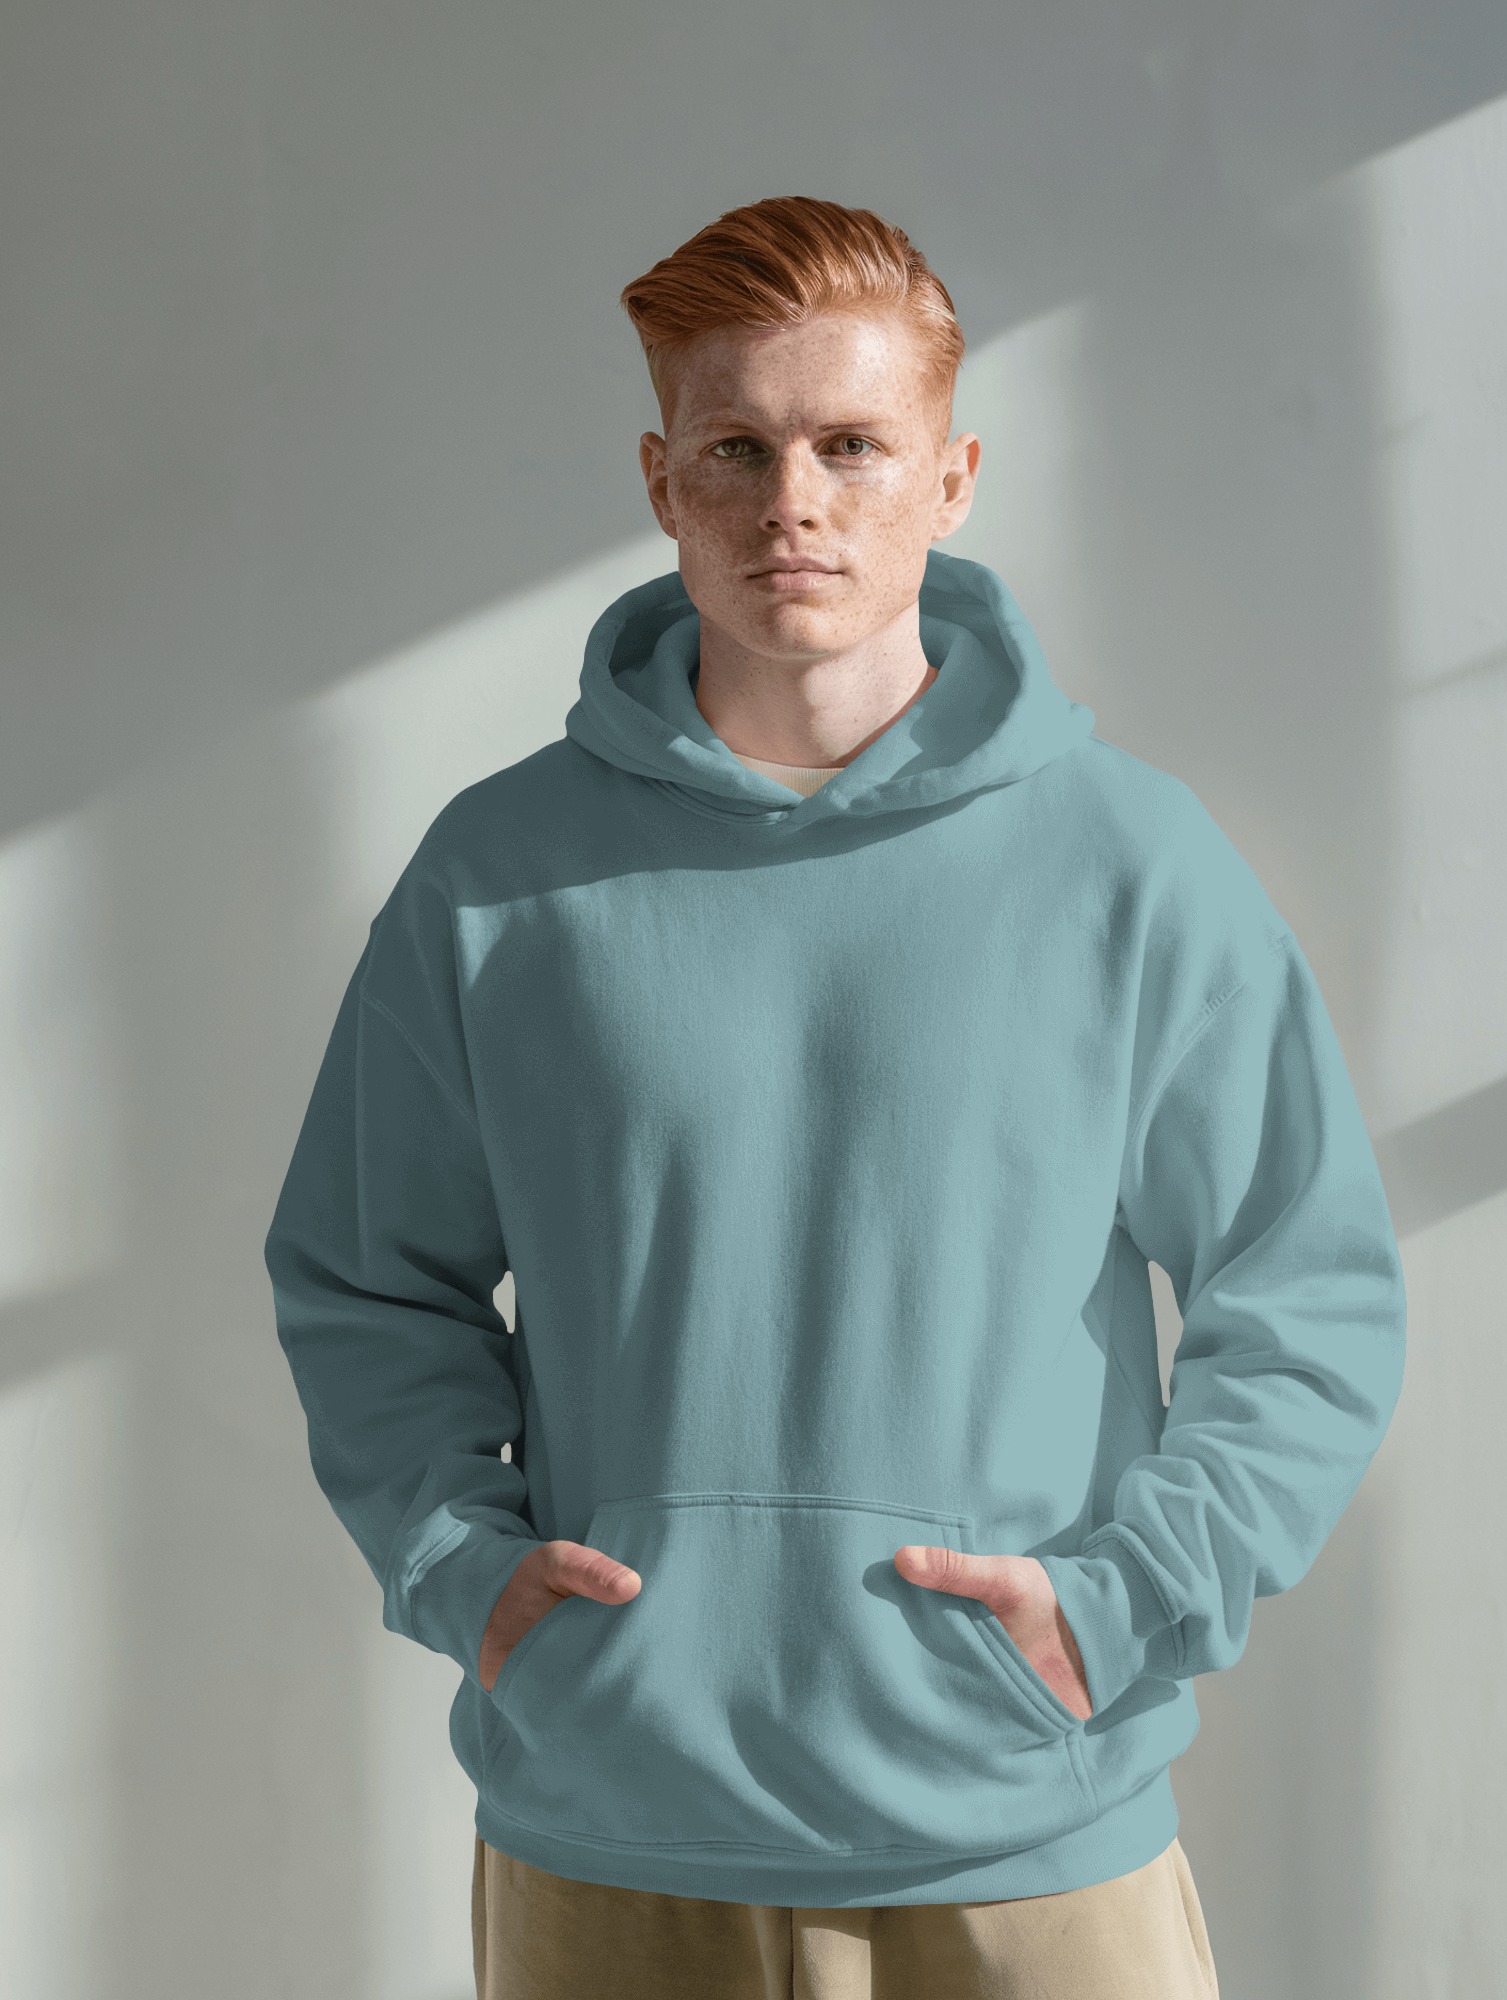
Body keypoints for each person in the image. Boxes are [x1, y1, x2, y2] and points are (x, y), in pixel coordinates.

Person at [263, 196, 1407, 1999]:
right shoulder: (499, 879)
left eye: (851, 445)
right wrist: (462, 1570)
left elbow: (1308, 1291)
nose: (792, 501)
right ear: (662, 480)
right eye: (736, 447)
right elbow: (363, 1276)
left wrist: (1123, 1605)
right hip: (611, 1833)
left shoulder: (1131, 869)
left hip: (1032, 1835)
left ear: (952, 478)